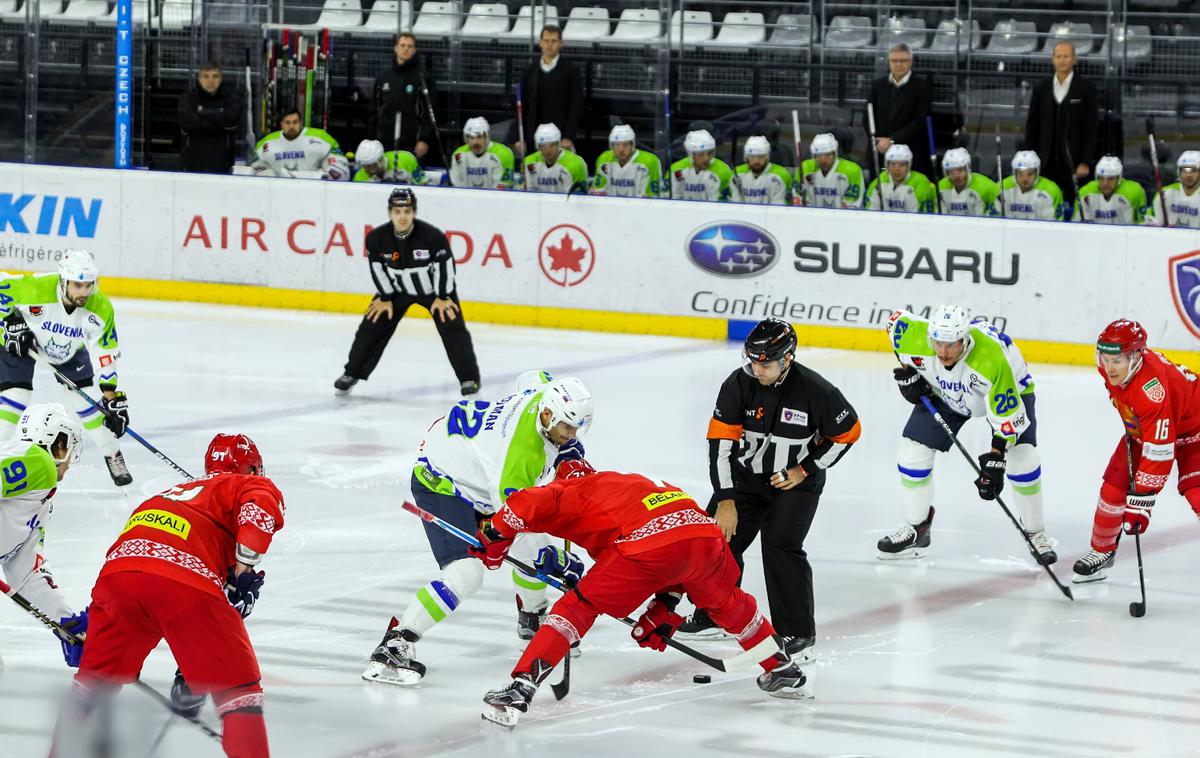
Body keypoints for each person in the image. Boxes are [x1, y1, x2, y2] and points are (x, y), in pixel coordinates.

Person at [473, 460, 813, 728]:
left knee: (578, 607)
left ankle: (521, 687)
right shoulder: (634, 482)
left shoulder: (573, 489)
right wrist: (664, 604)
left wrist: (492, 534)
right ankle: (782, 668)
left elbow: (526, 503)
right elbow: (679, 550)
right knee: (729, 605)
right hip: (705, 538)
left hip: (649, 545)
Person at [56, 434, 284, 758]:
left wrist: (100, 627)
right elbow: (261, 504)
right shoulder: (239, 486)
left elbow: (142, 570)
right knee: (238, 689)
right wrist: (244, 567)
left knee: (93, 683)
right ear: (251, 469)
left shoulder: (170, 495)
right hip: (181, 583)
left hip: (117, 579)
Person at [361, 376, 593, 687]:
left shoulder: (544, 396)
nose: (571, 435)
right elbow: (512, 519)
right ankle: (396, 642)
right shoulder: (521, 455)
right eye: (567, 427)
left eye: (576, 428)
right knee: (467, 574)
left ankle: (532, 620)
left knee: (536, 542)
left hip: (470, 461)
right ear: (548, 415)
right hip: (443, 483)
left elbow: (533, 378)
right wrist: (548, 559)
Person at [676, 318, 860, 667]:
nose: (756, 369)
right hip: (746, 480)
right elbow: (720, 447)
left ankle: (798, 634)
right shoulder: (738, 384)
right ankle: (715, 612)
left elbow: (849, 431)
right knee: (714, 537)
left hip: (795, 482)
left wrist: (804, 469)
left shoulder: (816, 391)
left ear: (787, 359)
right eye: (752, 361)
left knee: (780, 545)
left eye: (765, 363)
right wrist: (726, 499)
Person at [879, 306, 1057, 564]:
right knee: (912, 452)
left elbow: (1006, 420)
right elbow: (894, 324)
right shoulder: (913, 336)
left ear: (966, 339)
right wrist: (910, 373)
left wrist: (996, 459)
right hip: (946, 392)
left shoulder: (991, 359)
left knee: (1022, 459)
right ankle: (917, 529)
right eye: (938, 343)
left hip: (1009, 388)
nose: (943, 352)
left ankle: (1035, 533)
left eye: (951, 345)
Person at [1073, 320, 1200, 583]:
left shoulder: (1151, 390)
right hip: (1143, 432)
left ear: (1135, 356)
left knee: (1196, 491)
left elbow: (1160, 449)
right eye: (1105, 358)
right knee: (1113, 488)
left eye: (1116, 361)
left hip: (1194, 429)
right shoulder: (1110, 368)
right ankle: (1102, 551)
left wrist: (1141, 503)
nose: (1109, 367)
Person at [0, 250, 132, 486]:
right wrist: (8, 322)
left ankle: (113, 454)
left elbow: (105, 355)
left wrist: (110, 398)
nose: (84, 292)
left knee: (87, 403)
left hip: (68, 350)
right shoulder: (37, 287)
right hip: (25, 341)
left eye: (88, 285)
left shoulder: (100, 308)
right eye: (77, 285)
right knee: (16, 394)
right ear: (63, 281)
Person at [333, 188, 480, 397]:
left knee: (453, 327)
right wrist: (385, 298)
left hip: (434, 292)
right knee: (371, 325)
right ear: (390, 213)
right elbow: (377, 269)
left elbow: (445, 266)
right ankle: (351, 373)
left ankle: (469, 379)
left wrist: (443, 297)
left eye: (407, 211)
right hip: (396, 292)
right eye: (397, 212)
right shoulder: (376, 238)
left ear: (414, 213)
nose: (402, 217)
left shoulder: (432, 236)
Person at [0, 404, 85, 668]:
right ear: (58, 443)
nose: (69, 464)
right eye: (70, 449)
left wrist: (66, 622)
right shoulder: (38, 462)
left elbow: (24, 571)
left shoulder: (41, 497)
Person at [1023, 41, 1099, 208]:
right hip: (1045, 161)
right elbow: (1032, 126)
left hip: (1075, 162)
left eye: (1066, 56)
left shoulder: (1086, 88)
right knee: (1045, 204)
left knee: (1075, 206)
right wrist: (1030, 159)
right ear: (1053, 59)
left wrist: (1085, 161)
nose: (1062, 60)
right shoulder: (1041, 87)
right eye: (1058, 56)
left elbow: (1091, 128)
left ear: (1074, 60)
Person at [865, 42, 934, 179]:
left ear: (911, 62)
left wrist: (891, 141)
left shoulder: (922, 87)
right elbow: (867, 116)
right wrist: (878, 142)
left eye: (903, 60)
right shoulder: (877, 85)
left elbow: (920, 121)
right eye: (894, 61)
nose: (898, 64)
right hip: (879, 152)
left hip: (910, 153)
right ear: (889, 62)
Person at [517, 25, 582, 153]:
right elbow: (523, 105)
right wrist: (521, 137)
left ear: (561, 44)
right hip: (533, 137)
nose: (549, 44)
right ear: (540, 43)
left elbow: (576, 105)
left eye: (554, 41)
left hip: (560, 138)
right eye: (546, 41)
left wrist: (568, 136)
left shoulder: (571, 70)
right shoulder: (530, 69)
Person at [369, 32, 433, 159]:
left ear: (414, 50)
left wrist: (424, 139)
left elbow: (430, 111)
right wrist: (371, 138)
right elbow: (373, 109)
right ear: (396, 48)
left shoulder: (423, 77)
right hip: (384, 140)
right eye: (402, 45)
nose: (405, 49)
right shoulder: (384, 77)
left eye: (409, 46)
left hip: (411, 142)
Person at [178, 61, 245, 174]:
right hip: (191, 165)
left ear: (221, 78)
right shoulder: (188, 98)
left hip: (224, 166)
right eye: (206, 76)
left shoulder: (232, 98)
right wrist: (219, 119)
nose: (210, 81)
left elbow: (231, 121)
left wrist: (202, 112)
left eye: (215, 76)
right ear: (199, 78)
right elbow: (188, 124)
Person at [251, 107, 350, 180]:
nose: (292, 126)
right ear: (281, 124)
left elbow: (341, 170)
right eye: (288, 122)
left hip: (314, 192)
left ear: (301, 122)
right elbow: (254, 171)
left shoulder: (322, 137)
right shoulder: (265, 143)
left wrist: (324, 176)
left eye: (295, 122)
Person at [591, 124, 662, 198]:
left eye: (625, 144)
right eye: (617, 144)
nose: (621, 149)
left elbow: (651, 197)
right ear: (611, 146)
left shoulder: (649, 161)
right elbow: (597, 192)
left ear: (632, 145)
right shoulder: (604, 159)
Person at [796, 132, 864, 209]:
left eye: (828, 154)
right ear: (813, 155)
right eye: (819, 155)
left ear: (835, 154)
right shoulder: (804, 168)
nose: (823, 160)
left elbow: (852, 206)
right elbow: (798, 201)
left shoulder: (851, 171)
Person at [1074, 156, 1147, 225]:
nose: (1105, 183)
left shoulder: (1134, 192)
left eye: (1110, 178)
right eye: (1101, 178)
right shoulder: (1085, 193)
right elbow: (1076, 225)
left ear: (1119, 178)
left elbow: (1142, 223)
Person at [864, 144, 936, 213]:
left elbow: (925, 218)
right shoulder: (879, 182)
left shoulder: (921, 183)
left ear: (909, 166)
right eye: (892, 164)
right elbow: (871, 213)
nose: (897, 169)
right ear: (887, 165)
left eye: (902, 164)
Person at [449, 117, 515, 190]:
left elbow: (503, 188)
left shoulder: (503, 154)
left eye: (480, 137)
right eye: (471, 137)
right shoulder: (458, 155)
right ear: (466, 139)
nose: (475, 142)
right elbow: (456, 186)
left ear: (487, 137)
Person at [1000, 150, 1066, 222]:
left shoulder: (1051, 191)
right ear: (1014, 173)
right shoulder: (1002, 188)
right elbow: (993, 220)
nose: (1025, 179)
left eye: (1030, 174)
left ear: (1037, 173)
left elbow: (1054, 225)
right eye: (1020, 174)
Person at [523, 123, 589, 195]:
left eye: (552, 145)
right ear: (538, 146)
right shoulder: (528, 163)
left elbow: (577, 199)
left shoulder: (576, 164)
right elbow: (527, 195)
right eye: (543, 146)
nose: (548, 151)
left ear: (559, 144)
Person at [670, 129, 733, 202]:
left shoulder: (724, 170)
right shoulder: (676, 170)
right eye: (701, 154)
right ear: (691, 155)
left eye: (709, 153)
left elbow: (728, 201)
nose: (706, 158)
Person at [937, 147, 1000, 217]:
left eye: (960, 170)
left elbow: (998, 211)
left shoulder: (987, 186)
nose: (956, 176)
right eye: (951, 172)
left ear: (968, 168)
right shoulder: (940, 188)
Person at [1147, 150, 1200, 228]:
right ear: (1179, 172)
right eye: (1184, 170)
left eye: (1194, 170)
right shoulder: (1165, 194)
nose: (1189, 175)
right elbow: (1152, 224)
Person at [732, 136, 793, 205]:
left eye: (761, 157)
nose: (756, 161)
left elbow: (780, 208)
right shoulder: (737, 174)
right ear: (746, 157)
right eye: (752, 157)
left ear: (767, 156)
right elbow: (735, 204)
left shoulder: (781, 175)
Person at [351, 139, 426, 185]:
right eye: (364, 166)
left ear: (380, 160)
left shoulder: (407, 159)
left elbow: (423, 185)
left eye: (371, 165)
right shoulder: (359, 177)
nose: (367, 170)